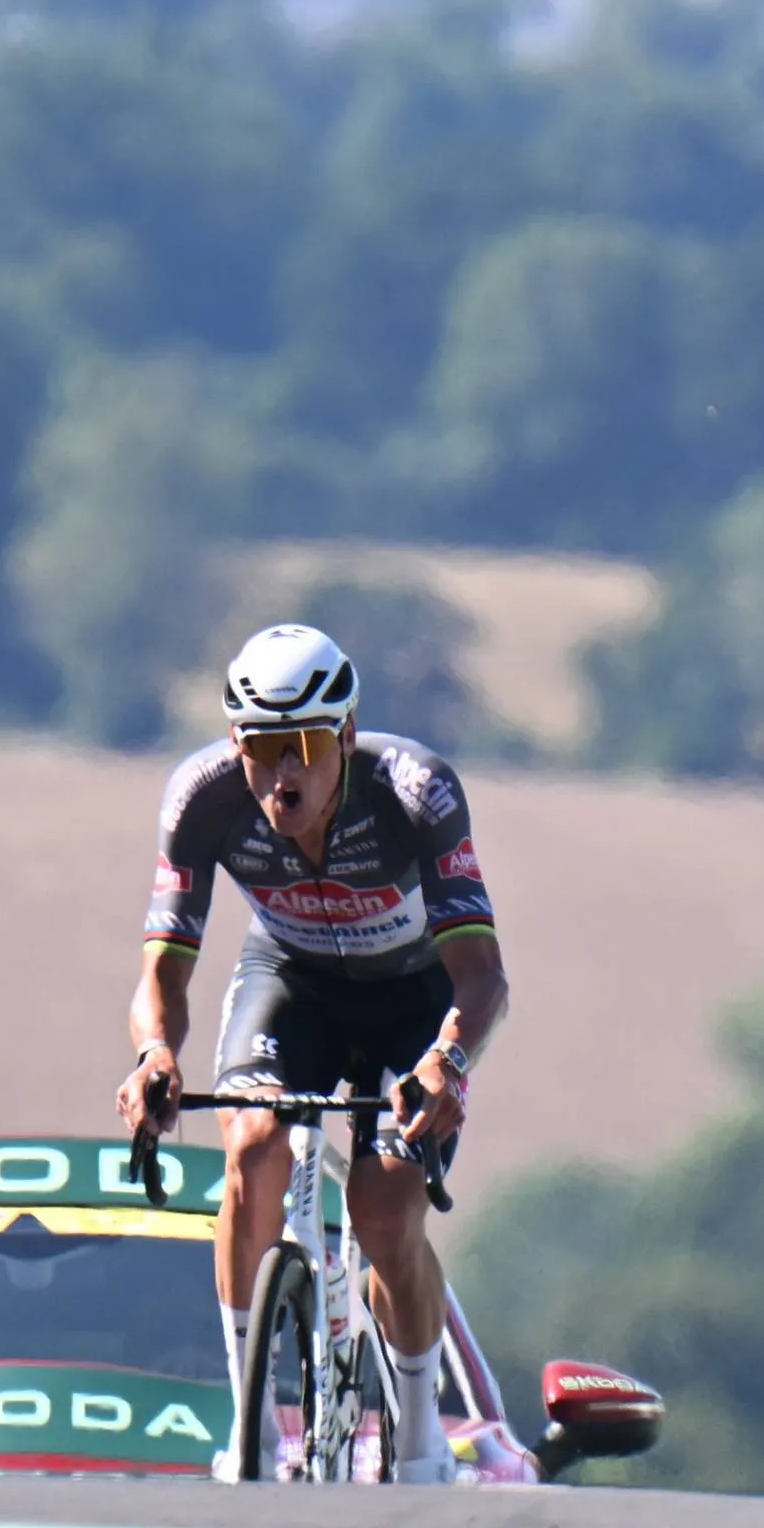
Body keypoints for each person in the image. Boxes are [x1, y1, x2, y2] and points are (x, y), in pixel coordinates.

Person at [117, 622, 509, 1482]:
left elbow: (482, 978)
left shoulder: (417, 792)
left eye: (302, 747)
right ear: (234, 743)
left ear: (346, 737)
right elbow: (163, 968)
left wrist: (447, 1061)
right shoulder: (203, 797)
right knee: (251, 1149)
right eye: (262, 747)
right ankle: (251, 1429)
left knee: (381, 1211)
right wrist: (153, 1054)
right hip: (293, 981)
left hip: (416, 998)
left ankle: (417, 1439)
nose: (282, 772)